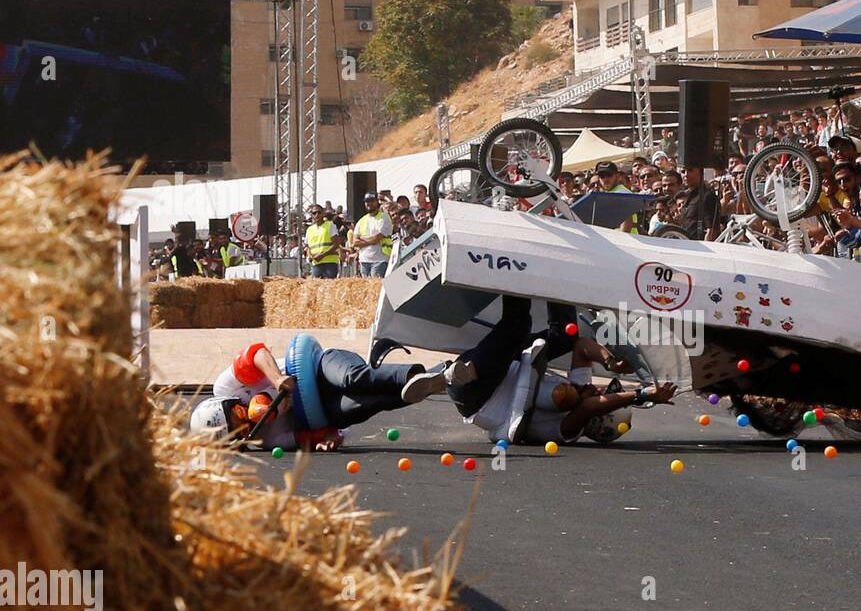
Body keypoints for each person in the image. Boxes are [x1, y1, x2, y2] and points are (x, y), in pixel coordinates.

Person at [437, 296, 677, 445]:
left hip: (478, 395)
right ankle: (550, 279)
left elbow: (590, 406)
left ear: (597, 420)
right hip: (488, 366)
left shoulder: (569, 430)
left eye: (602, 394)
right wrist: (610, 362)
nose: (597, 388)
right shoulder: (584, 391)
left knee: (518, 326)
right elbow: (582, 347)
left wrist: (643, 395)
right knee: (565, 336)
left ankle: (515, 270)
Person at [195, 338, 447, 452]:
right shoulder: (267, 440)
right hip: (324, 407)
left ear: (228, 403)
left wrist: (277, 379)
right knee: (358, 407)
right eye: (239, 432)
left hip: (317, 366)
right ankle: (435, 381)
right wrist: (325, 439)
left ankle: (413, 376)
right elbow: (307, 437)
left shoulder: (226, 386)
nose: (247, 422)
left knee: (352, 379)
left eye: (238, 414)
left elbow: (256, 352)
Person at [354, 192, 392, 277]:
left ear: (377, 202)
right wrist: (371, 240)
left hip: (380, 259)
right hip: (364, 260)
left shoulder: (384, 217)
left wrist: (362, 238)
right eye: (367, 201)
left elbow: (376, 239)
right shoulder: (362, 220)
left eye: (372, 201)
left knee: (376, 287)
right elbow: (355, 242)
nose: (369, 204)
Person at [680, 166, 723, 240]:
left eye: (690, 170)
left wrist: (705, 248)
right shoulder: (688, 196)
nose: (686, 175)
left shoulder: (707, 196)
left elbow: (712, 230)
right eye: (683, 172)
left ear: (700, 173)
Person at [305, 204, 344, 279]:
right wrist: (310, 256)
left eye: (319, 212)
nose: (317, 215)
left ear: (323, 214)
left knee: (329, 286)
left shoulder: (330, 225)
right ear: (312, 215)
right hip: (316, 263)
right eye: (314, 213)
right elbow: (308, 247)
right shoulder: (309, 229)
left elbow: (336, 244)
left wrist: (322, 255)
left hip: (329, 262)